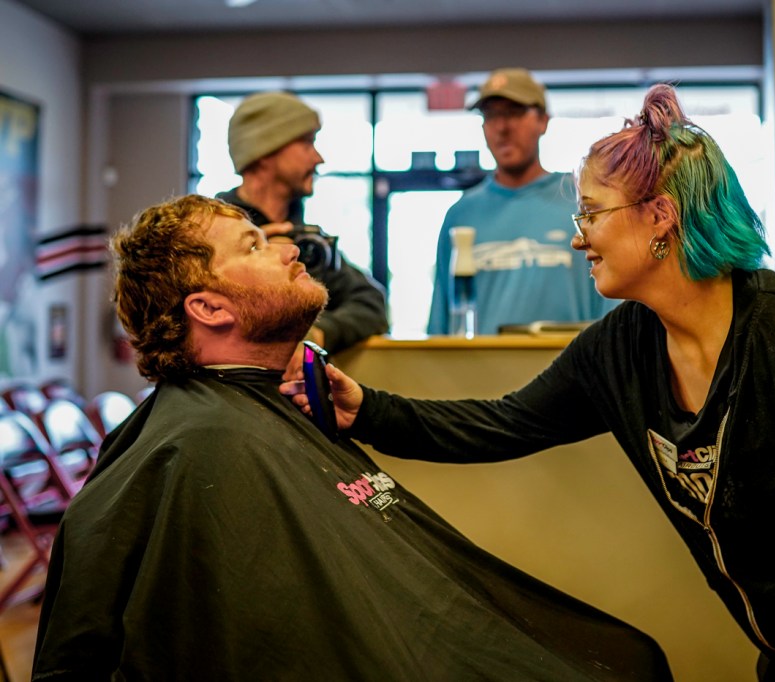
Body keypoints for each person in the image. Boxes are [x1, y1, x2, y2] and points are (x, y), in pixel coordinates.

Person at [283, 84, 775, 681]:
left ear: (660, 218)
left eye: (591, 213)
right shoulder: (623, 349)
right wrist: (365, 409)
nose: (578, 236)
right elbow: (501, 424)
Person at [30, 194, 671, 682]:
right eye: (254, 245)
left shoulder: (254, 415)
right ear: (210, 308)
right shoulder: (196, 445)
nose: (290, 251)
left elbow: (509, 423)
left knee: (629, 656)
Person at [427, 68, 615, 335]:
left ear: (543, 121)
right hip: (483, 363)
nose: (502, 127)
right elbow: (441, 325)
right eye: (491, 115)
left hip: (573, 361)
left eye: (514, 113)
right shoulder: (461, 215)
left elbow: (612, 310)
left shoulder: (582, 202)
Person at [215, 90, 388, 373]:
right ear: (264, 151)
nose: (319, 158)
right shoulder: (210, 232)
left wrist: (315, 335)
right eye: (307, 143)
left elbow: (372, 304)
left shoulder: (307, 243)